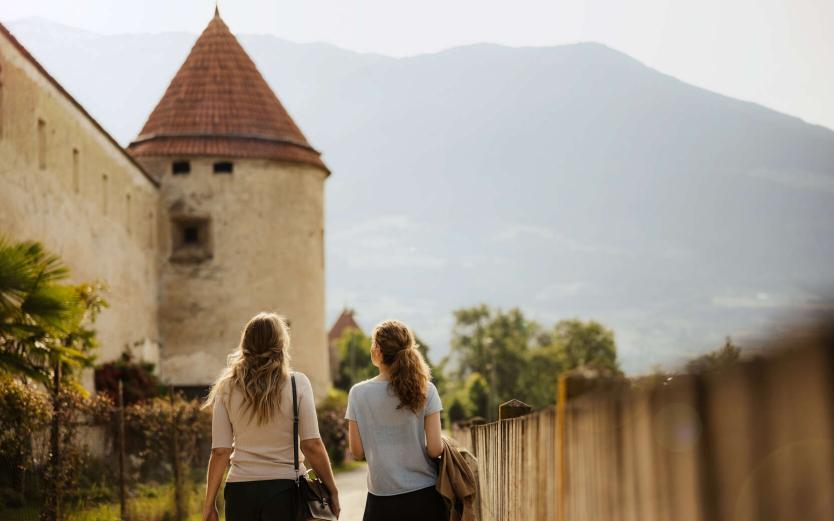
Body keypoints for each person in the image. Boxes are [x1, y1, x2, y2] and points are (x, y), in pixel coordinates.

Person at [201, 312, 340, 521]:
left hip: (240, 491)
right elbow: (311, 444)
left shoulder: (227, 387)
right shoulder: (297, 384)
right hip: (285, 490)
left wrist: (209, 503)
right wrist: (332, 490)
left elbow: (220, 451)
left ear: (245, 343)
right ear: (281, 343)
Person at [346, 319, 445, 521]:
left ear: (378, 351)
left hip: (382, 502)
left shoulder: (358, 393)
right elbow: (435, 449)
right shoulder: (427, 389)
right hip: (424, 499)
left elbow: (356, 452)